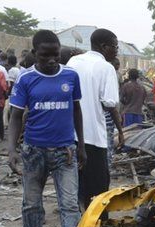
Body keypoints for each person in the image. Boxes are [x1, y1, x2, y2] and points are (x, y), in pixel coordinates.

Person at [8, 30, 85, 227]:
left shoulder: (71, 76)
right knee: (32, 202)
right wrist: (12, 150)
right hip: (34, 151)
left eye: (56, 55)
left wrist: (81, 145)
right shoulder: (25, 79)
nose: (52, 60)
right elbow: (15, 116)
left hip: (66, 151)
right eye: (45, 56)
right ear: (34, 53)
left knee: (70, 203)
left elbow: (77, 110)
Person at [67, 28, 120, 209]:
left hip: (70, 134)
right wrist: (120, 129)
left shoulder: (73, 61)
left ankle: (77, 222)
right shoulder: (106, 67)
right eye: (115, 46)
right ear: (104, 47)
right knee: (98, 187)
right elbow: (110, 102)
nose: (116, 51)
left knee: (75, 184)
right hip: (93, 137)